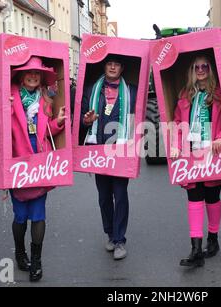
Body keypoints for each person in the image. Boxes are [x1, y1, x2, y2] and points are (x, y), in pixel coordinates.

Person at [9, 56, 66, 281]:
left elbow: (46, 131)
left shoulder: (45, 100)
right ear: (21, 76)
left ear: (41, 77)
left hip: (41, 162)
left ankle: (37, 261)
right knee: (21, 215)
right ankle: (20, 253)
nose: (33, 76)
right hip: (17, 162)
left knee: (38, 213)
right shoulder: (9, 97)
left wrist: (58, 120)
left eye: (37, 73)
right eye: (29, 72)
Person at [170, 55, 221, 268]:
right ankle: (196, 248)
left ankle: (213, 240)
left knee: (212, 196)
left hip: (213, 152)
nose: (201, 69)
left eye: (205, 66)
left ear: (210, 69)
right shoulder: (185, 95)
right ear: (192, 70)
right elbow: (177, 122)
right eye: (197, 67)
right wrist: (176, 144)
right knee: (194, 196)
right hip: (191, 151)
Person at [80, 54, 137, 260]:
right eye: (109, 63)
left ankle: (120, 239)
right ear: (104, 67)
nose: (113, 67)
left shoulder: (132, 91)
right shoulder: (91, 90)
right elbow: (80, 118)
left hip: (121, 150)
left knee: (120, 195)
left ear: (122, 68)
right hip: (98, 150)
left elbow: (139, 119)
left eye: (117, 64)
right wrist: (86, 121)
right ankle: (111, 234)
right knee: (104, 197)